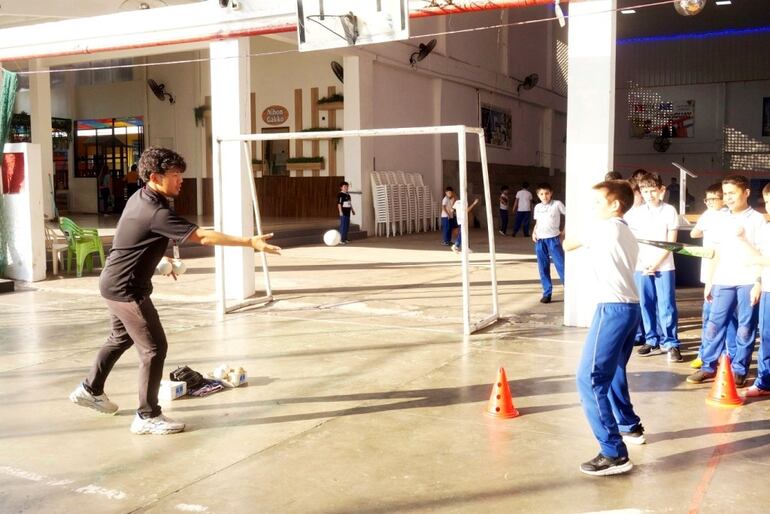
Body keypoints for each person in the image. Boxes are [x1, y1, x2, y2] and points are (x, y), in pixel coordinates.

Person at [69, 147, 281, 435]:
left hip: (114, 283)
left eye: (182, 173)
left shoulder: (142, 197)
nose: (181, 180)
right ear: (155, 177)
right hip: (127, 289)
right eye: (176, 175)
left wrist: (160, 260)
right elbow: (202, 236)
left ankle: (90, 389)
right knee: (154, 349)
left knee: (120, 338)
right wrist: (250, 242)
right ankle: (147, 416)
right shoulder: (154, 210)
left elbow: (131, 241)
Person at [563, 179, 644, 476]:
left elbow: (567, 244)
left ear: (615, 205)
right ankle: (628, 426)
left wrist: (583, 229)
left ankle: (613, 453)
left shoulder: (604, 228)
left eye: (598, 202)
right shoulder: (624, 231)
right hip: (629, 309)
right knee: (610, 376)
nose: (592, 208)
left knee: (589, 379)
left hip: (612, 310)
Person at [687, 175, 765, 387]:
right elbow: (714, 252)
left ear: (746, 192)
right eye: (726, 194)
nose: (728, 198)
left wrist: (758, 282)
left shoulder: (757, 220)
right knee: (714, 324)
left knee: (745, 327)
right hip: (723, 279)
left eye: (733, 193)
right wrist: (710, 281)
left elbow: (761, 253)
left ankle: (740, 368)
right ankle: (708, 366)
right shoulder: (719, 219)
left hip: (748, 279)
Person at [625, 172, 682, 362]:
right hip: (641, 266)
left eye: (652, 190)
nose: (649, 195)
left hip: (664, 266)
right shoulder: (635, 213)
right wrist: (642, 263)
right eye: (644, 190)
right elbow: (632, 241)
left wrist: (656, 263)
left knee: (666, 305)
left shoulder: (669, 211)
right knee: (645, 304)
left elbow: (671, 243)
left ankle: (671, 343)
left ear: (661, 190)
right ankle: (651, 339)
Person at [689, 183, 735, 369]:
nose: (709, 202)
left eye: (713, 199)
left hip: (723, 274)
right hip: (708, 272)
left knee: (725, 318)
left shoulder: (727, 216)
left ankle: (727, 355)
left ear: (723, 199)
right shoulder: (708, 215)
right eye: (706, 199)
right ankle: (705, 353)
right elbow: (694, 233)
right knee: (708, 317)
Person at [744, 183, 770, 398]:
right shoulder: (766, 228)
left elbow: (761, 258)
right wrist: (758, 282)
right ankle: (764, 382)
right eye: (768, 203)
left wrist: (757, 259)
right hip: (768, 290)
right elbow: (760, 257)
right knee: (767, 337)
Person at [532, 183, 566, 304]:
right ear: (538, 195)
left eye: (546, 193)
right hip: (540, 240)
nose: (544, 196)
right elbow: (537, 222)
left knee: (561, 265)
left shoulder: (557, 204)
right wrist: (534, 232)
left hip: (553, 239)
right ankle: (547, 293)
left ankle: (569, 291)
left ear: (551, 193)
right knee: (543, 267)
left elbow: (570, 216)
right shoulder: (537, 207)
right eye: (541, 194)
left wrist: (564, 231)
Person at [337, 181, 355, 245]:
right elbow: (339, 204)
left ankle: (345, 238)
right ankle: (341, 239)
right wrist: (340, 212)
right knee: (343, 226)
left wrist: (352, 210)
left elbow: (349, 203)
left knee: (347, 226)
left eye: (347, 186)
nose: (346, 188)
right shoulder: (340, 195)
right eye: (344, 187)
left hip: (348, 212)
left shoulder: (348, 195)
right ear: (341, 187)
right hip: (343, 213)